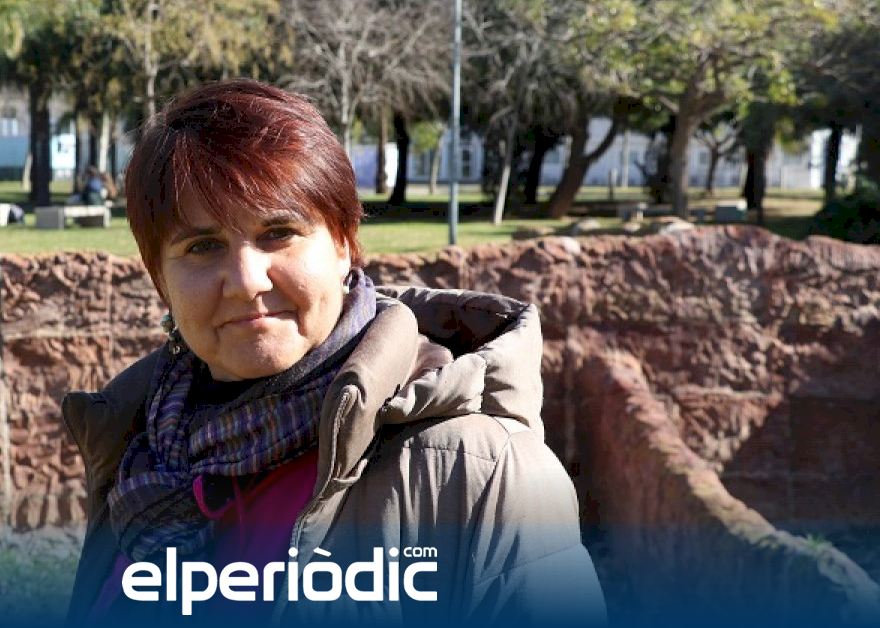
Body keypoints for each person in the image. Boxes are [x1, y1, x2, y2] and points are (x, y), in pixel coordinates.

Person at [61, 79, 606, 626]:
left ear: (344, 243)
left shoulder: (477, 472)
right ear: (160, 278)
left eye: (278, 232)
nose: (246, 281)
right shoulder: (142, 456)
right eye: (203, 246)